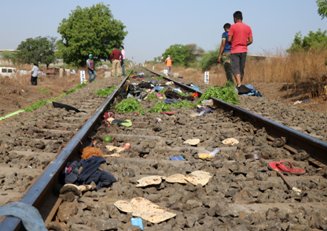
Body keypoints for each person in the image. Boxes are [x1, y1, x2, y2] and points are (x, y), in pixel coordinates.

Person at [228, 11, 253, 87]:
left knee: (235, 68)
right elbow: (251, 40)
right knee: (241, 68)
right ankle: (239, 84)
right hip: (244, 50)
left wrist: (233, 43)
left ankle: (239, 84)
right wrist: (244, 44)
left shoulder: (233, 27)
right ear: (241, 18)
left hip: (235, 50)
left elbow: (229, 39)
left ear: (235, 18)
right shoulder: (248, 27)